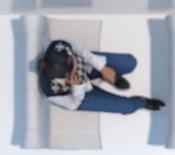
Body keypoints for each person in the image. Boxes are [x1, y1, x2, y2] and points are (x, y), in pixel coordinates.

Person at [37, 39, 165, 115]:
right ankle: (142, 102)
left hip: (87, 66)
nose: (76, 66)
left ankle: (112, 78)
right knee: (127, 107)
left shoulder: (59, 46)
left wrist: (103, 68)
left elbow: (82, 51)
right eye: (74, 70)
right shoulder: (52, 92)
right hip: (79, 94)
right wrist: (77, 87)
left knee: (129, 62)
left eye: (74, 61)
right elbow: (73, 104)